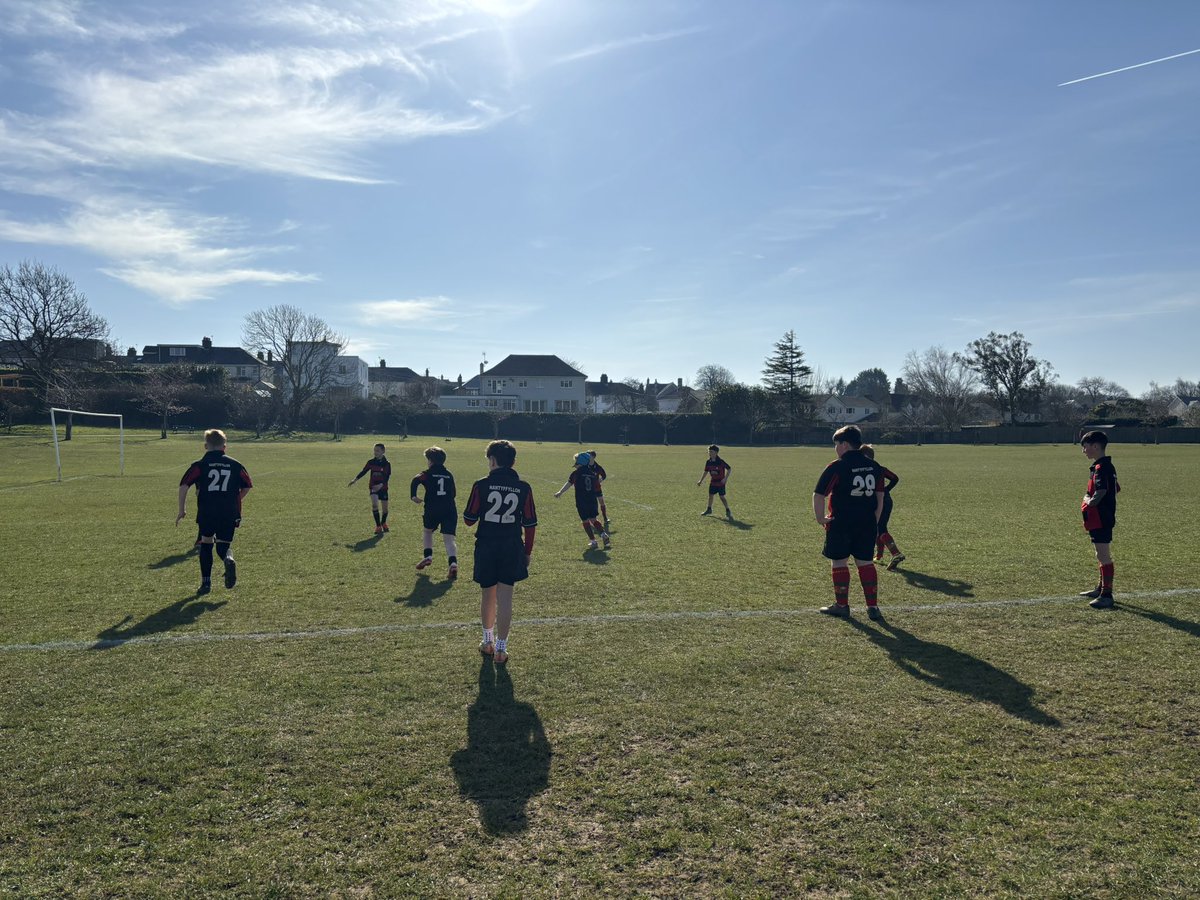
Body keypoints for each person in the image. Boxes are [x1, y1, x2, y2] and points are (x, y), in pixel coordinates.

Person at [462, 440, 538, 665]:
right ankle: (502, 648)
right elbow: (530, 523)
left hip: (486, 545)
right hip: (511, 545)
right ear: (513, 461)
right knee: (506, 597)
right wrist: (527, 551)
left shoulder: (481, 485)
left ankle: (488, 641)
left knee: (488, 595)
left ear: (492, 461)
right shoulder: (523, 487)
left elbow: (468, 520)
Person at [813, 425, 885, 620]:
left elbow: (819, 494)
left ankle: (842, 605)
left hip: (841, 523)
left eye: (836, 444)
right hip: (867, 522)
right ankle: (873, 607)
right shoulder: (874, 465)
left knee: (839, 561)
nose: (836, 449)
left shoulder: (837, 466)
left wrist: (820, 518)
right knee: (865, 562)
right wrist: (875, 519)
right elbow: (880, 496)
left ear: (844, 444)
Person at [175, 429, 252, 596]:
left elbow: (183, 486)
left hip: (207, 511)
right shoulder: (235, 465)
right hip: (229, 512)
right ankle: (228, 559)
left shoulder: (200, 465)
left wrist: (182, 509)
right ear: (224, 447)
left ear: (205, 446)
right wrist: (236, 499)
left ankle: (206, 583)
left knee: (206, 543)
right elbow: (247, 485)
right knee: (223, 546)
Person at [1079, 430, 1120, 609]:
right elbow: (1115, 488)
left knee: (1103, 555)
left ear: (1095, 446)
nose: (1084, 451)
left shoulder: (1102, 468)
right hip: (1099, 517)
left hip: (1101, 518)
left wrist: (1089, 501)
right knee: (1100, 554)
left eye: (1085, 447)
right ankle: (1100, 588)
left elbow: (1102, 491)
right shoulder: (1102, 466)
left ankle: (1106, 595)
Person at [410, 446, 459, 579]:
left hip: (432, 508)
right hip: (449, 508)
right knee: (449, 538)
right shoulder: (449, 474)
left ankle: (428, 556)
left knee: (427, 531)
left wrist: (413, 496)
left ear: (430, 461)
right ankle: (453, 563)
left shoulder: (427, 473)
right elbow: (453, 493)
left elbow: (415, 480)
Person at [861, 445, 906, 570]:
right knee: (879, 528)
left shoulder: (866, 470)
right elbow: (895, 478)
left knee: (880, 529)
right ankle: (879, 555)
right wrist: (887, 490)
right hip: (887, 500)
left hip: (877, 502)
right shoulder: (880, 468)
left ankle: (896, 553)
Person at [554, 452, 611, 550]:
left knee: (585, 520)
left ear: (579, 463)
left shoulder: (575, 474)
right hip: (592, 500)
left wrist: (560, 492)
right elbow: (596, 486)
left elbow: (569, 483)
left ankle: (593, 541)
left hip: (581, 501)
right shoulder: (593, 474)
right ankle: (603, 534)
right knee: (593, 519)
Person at [347, 443, 391, 534]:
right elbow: (364, 471)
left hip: (383, 488)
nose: (375, 452)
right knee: (374, 505)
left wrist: (381, 485)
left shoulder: (386, 464)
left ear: (383, 451)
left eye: (378, 450)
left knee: (385, 509)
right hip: (373, 487)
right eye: (374, 450)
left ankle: (383, 523)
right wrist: (355, 479)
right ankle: (378, 526)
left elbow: (387, 476)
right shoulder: (371, 462)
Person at [697, 444, 733, 519]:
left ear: (716, 453)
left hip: (720, 483)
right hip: (713, 482)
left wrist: (725, 479)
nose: (710, 453)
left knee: (722, 497)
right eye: (709, 452)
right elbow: (706, 471)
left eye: (711, 452)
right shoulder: (708, 462)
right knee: (710, 495)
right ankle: (709, 509)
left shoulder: (720, 461)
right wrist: (701, 480)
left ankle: (727, 510)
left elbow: (729, 469)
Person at [588, 450, 610, 528]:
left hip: (597, 488)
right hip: (589, 489)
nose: (587, 457)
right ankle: (592, 520)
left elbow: (604, 475)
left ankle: (605, 517)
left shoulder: (598, 467)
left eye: (589, 455)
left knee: (601, 502)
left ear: (593, 457)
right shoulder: (585, 466)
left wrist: (600, 480)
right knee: (591, 505)